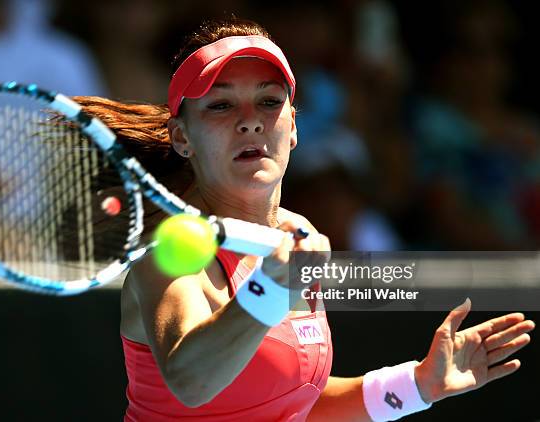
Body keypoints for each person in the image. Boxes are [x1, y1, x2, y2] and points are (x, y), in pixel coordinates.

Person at [73, 19, 534, 421]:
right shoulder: (170, 255)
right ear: (182, 137)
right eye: (221, 105)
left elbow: (293, 403)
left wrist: (416, 386)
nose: (250, 121)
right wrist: (271, 291)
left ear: (293, 127)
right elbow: (191, 382)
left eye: (269, 102)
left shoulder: (298, 234)